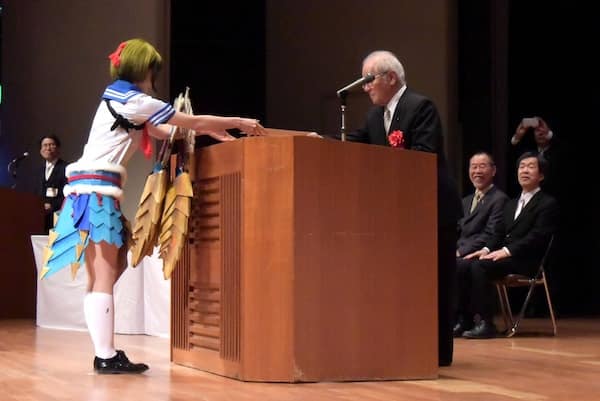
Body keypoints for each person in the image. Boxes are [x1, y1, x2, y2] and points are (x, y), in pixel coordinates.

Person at [40, 38, 266, 374]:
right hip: (95, 193)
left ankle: (104, 351)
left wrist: (212, 131)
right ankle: (105, 355)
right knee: (103, 275)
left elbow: (164, 130)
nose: (153, 77)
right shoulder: (132, 100)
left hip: (93, 191)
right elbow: (186, 122)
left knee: (108, 271)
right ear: (144, 69)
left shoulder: (121, 98)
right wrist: (237, 121)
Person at [346, 50, 463, 366]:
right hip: (398, 214)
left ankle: (438, 353)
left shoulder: (420, 106)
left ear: (391, 77)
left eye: (368, 80)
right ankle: (404, 346)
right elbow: (354, 143)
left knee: (436, 282)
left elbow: (423, 156)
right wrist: (320, 141)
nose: (365, 88)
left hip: (432, 209)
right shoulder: (374, 117)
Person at [459, 152, 558, 339]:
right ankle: (465, 320)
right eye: (521, 167)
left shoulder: (547, 203)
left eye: (530, 167)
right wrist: (485, 249)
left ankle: (485, 323)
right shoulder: (511, 204)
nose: (524, 171)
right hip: (505, 258)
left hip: (526, 260)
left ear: (541, 175)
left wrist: (507, 251)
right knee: (466, 264)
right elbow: (498, 233)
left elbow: (538, 236)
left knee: (479, 267)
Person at [454, 151, 508, 336]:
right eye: (474, 167)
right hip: (462, 251)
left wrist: (461, 252)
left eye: (482, 166)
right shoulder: (465, 201)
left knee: (462, 266)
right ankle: (459, 319)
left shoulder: (499, 199)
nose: (477, 171)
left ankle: (476, 320)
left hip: (482, 252)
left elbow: (491, 233)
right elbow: (456, 231)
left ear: (493, 171)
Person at [510, 116, 560, 197]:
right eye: (537, 130)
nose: (540, 133)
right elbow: (512, 153)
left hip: (553, 196)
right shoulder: (528, 152)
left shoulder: (557, 151)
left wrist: (548, 134)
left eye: (542, 130)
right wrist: (518, 136)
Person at [37, 134, 68, 233]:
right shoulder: (39, 169)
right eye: (45, 145)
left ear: (58, 148)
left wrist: (52, 205)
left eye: (51, 145)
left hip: (58, 216)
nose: (48, 148)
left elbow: (68, 194)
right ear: (41, 150)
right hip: (40, 217)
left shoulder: (66, 168)